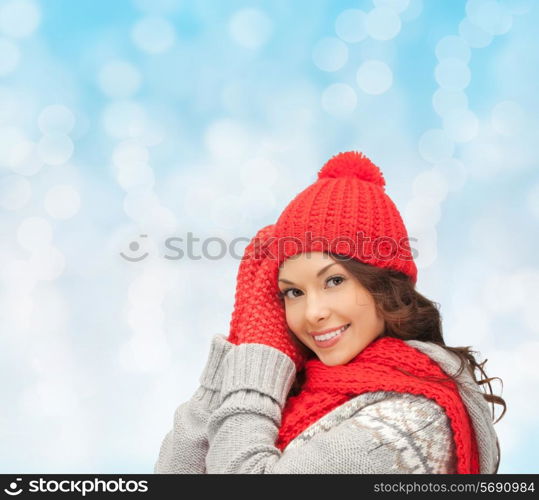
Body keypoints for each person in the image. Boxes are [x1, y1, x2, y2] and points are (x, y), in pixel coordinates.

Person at [154, 151, 506, 474]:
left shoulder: (411, 420)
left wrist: (257, 363)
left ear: (383, 284)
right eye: (293, 291)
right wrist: (243, 347)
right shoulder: (299, 387)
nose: (312, 313)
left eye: (334, 281)